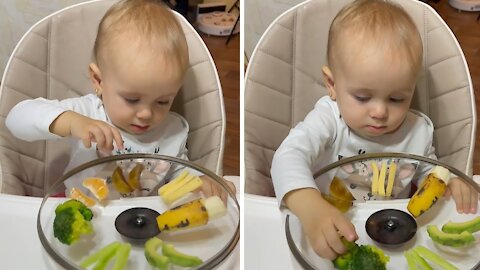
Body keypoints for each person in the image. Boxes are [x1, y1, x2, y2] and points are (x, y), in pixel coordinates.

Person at [270, 0, 478, 261]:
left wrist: (452, 185)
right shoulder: (329, 120)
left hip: (394, 235)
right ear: (332, 84)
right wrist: (309, 207)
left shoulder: (418, 130)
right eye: (362, 97)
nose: (379, 112)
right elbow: (287, 156)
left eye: (396, 99)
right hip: (328, 227)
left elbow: (428, 172)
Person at [6, 0, 235, 199]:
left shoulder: (173, 131)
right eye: (132, 99)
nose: (146, 114)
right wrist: (72, 123)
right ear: (98, 80)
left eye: (163, 101)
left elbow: (179, 173)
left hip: (143, 222)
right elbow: (16, 119)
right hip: (81, 211)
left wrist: (199, 183)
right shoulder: (87, 113)